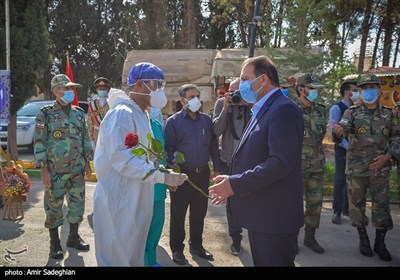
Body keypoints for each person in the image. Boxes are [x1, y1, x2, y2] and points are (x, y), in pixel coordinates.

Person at [209, 55, 304, 267]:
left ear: (263, 79)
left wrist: (235, 184)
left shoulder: (283, 110)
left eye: (244, 79)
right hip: (262, 215)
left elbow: (280, 163)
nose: (240, 85)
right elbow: (256, 155)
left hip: (274, 218)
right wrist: (232, 178)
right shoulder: (262, 108)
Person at [93, 62, 187, 266]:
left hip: (135, 197)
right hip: (119, 200)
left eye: (162, 84)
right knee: (117, 256)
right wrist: (161, 176)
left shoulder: (140, 114)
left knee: (133, 254)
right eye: (156, 84)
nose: (160, 90)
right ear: (138, 85)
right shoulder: (122, 114)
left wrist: (164, 172)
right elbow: (122, 159)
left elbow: (144, 158)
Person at [332, 74, 400, 262]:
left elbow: (396, 137)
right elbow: (342, 129)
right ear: (361, 92)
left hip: (381, 169)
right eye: (365, 88)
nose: (369, 91)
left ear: (379, 89)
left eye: (372, 87)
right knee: (356, 206)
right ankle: (363, 239)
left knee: (382, 207)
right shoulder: (351, 113)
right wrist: (337, 133)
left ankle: (380, 242)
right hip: (357, 170)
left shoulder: (389, 113)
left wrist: (387, 156)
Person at [34, 74, 93, 260]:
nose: (70, 91)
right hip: (55, 171)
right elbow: (39, 142)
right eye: (66, 88)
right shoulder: (46, 113)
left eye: (70, 88)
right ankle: (55, 244)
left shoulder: (77, 113)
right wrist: (44, 170)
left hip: (77, 169)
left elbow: (84, 138)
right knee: (53, 207)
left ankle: (73, 238)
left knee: (77, 205)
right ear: (55, 91)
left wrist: (88, 164)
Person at [164, 83, 220, 265]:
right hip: (183, 175)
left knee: (199, 213)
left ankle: (196, 246)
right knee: (178, 214)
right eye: (191, 96)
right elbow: (169, 150)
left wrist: (216, 168)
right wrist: (173, 175)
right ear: (182, 100)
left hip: (202, 173)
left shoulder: (206, 120)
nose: (196, 99)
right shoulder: (173, 122)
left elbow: (213, 146)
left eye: (197, 95)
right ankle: (177, 249)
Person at [212, 78, 251, 256]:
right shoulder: (222, 104)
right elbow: (216, 130)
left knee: (254, 199)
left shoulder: (252, 103)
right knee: (232, 203)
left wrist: (248, 103)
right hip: (229, 160)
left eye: (240, 92)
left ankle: (256, 234)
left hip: (250, 162)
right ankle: (236, 239)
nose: (237, 95)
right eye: (233, 92)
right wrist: (227, 109)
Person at [295, 73, 326, 254]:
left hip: (317, 165)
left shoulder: (321, 110)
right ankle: (291, 237)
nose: (315, 92)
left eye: (315, 88)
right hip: (296, 166)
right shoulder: (291, 109)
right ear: (301, 89)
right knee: (294, 203)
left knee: (315, 203)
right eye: (311, 88)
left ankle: (310, 237)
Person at [329, 80, 358, 224]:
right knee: (340, 179)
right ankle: (337, 211)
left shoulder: (357, 109)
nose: (358, 93)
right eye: (355, 90)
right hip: (342, 149)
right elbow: (333, 133)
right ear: (348, 92)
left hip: (356, 152)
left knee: (352, 180)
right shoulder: (336, 108)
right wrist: (349, 147)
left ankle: (348, 209)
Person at [144, 108, 168, 267]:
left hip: (159, 185)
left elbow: (163, 154)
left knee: (157, 223)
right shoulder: (133, 123)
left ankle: (151, 259)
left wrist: (168, 178)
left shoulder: (157, 125)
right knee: (142, 226)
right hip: (142, 184)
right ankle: (142, 260)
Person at [87, 77, 111, 149]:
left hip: (109, 135)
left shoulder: (111, 103)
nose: (102, 91)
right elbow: (89, 122)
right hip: (96, 136)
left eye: (104, 89)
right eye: (100, 89)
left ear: (107, 90)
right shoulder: (92, 105)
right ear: (96, 90)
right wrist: (91, 139)